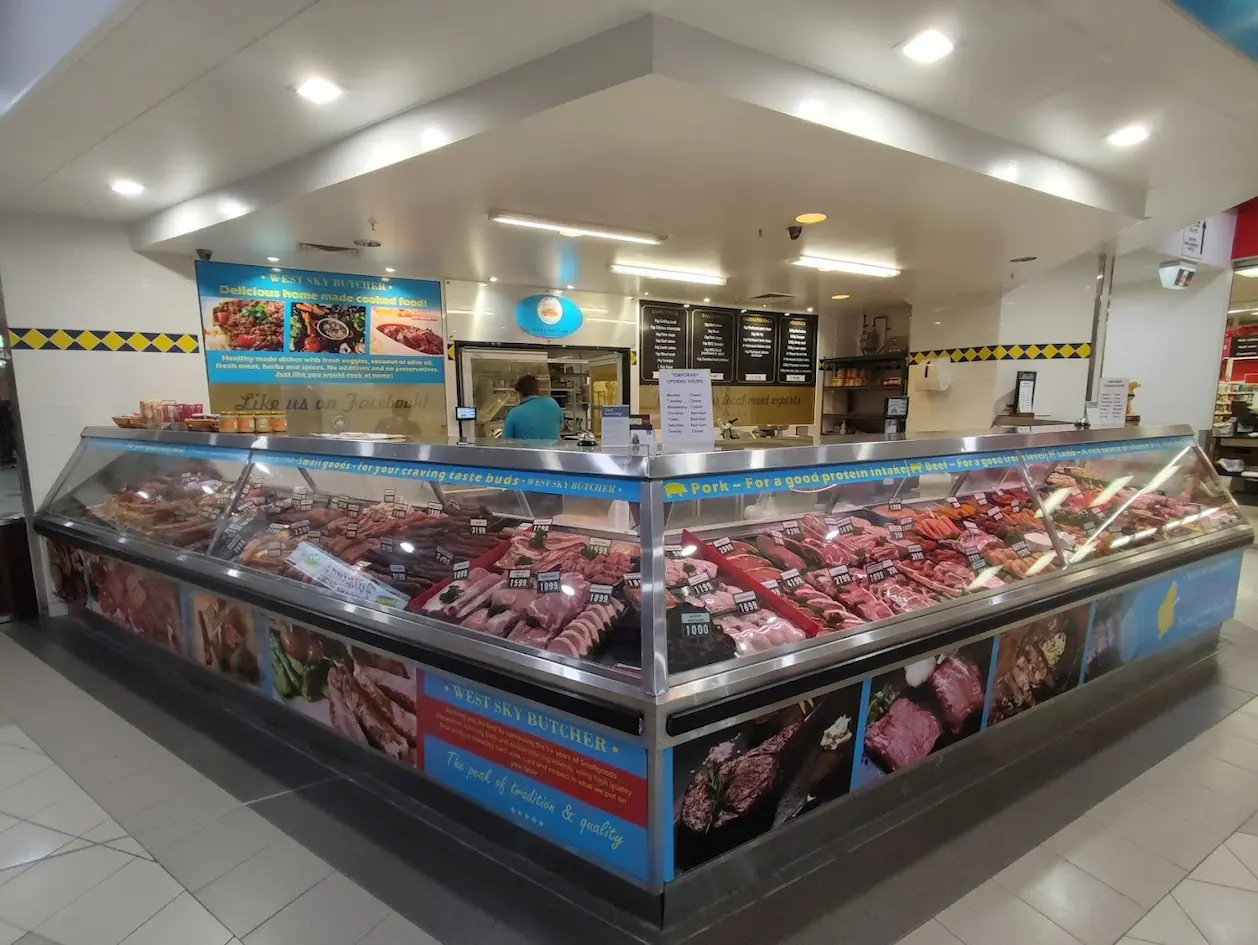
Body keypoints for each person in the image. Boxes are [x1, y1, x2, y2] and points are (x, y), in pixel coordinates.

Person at [502, 375, 563, 440]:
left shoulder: (514, 413)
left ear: (519, 393)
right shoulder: (553, 403)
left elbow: (506, 442)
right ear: (537, 390)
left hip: (527, 449)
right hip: (552, 449)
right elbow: (561, 427)